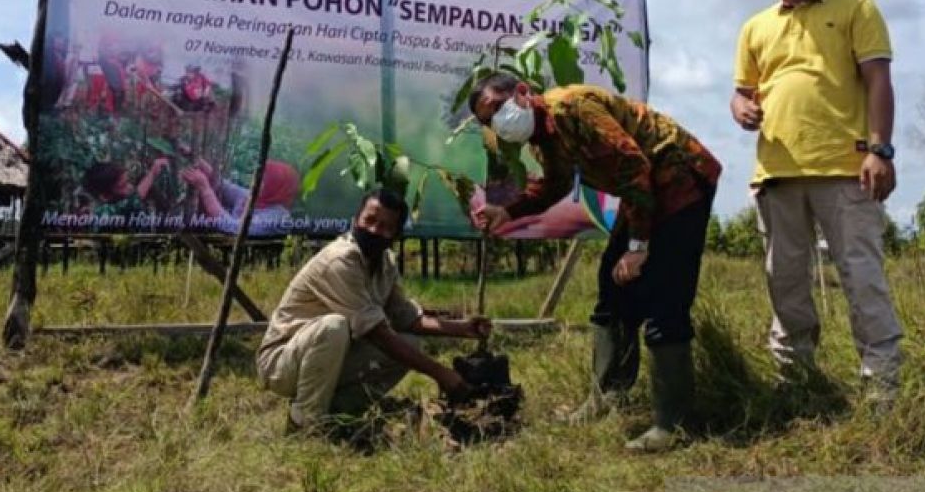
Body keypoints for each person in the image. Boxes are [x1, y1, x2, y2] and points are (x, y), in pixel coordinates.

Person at [470, 76, 721, 452]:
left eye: (497, 108)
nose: (497, 123)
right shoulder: (541, 139)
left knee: (664, 296)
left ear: (522, 92)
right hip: (644, 191)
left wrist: (638, 246)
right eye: (488, 121)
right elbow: (554, 184)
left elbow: (634, 166)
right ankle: (607, 398)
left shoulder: (572, 108)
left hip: (680, 175)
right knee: (612, 288)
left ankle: (673, 423)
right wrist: (508, 211)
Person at [731, 0, 903, 402]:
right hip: (777, 173)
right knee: (784, 283)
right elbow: (741, 91)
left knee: (861, 277)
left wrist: (880, 150)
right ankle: (797, 385)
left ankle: (881, 390)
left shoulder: (856, 7)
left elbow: (878, 81)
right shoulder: (755, 27)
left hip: (846, 171)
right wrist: (740, 106)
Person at [257, 188, 492, 434]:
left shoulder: (384, 262)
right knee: (334, 327)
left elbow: (405, 317)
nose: (374, 230)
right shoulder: (340, 260)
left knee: (410, 344)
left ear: (396, 235)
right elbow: (378, 333)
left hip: (328, 355)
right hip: (282, 363)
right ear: (356, 219)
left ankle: (338, 415)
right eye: (369, 220)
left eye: (385, 226)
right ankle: (304, 423)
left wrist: (463, 328)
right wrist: (441, 373)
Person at [181, 158, 299, 233]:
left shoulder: (278, 217)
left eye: (262, 180)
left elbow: (232, 227)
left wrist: (204, 188)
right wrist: (197, 159)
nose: (254, 182)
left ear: (275, 186)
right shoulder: (255, 198)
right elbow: (224, 187)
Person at [82, 157, 169, 217]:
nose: (130, 187)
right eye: (122, 186)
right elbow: (131, 202)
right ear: (105, 196)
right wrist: (152, 173)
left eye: (128, 182)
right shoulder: (102, 214)